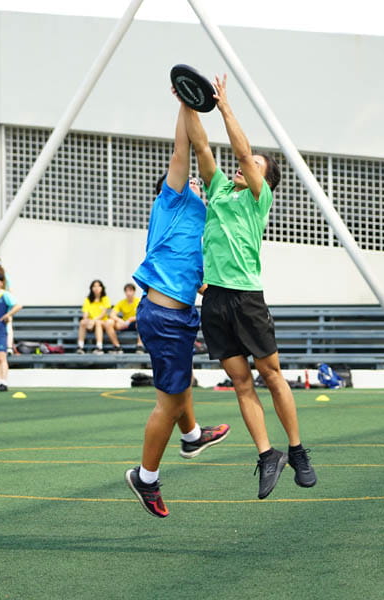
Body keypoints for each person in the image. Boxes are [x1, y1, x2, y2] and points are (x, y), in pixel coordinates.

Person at [184, 73, 316, 499]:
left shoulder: (259, 200)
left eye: (255, 165)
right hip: (215, 299)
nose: (245, 166)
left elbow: (240, 152)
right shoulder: (220, 189)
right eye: (247, 164)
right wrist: (188, 103)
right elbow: (202, 147)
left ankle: (297, 451)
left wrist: (224, 106)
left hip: (246, 297)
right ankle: (267, 455)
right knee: (241, 382)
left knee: (271, 375)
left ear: (264, 179)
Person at [125, 99, 230, 518]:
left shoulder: (203, 214)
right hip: (165, 316)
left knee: (180, 384)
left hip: (180, 315)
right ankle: (145, 478)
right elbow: (183, 150)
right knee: (168, 401)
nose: (185, 180)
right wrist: (188, 101)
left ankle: (191, 437)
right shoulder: (170, 201)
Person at [76, 279, 119, 354]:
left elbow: (103, 313)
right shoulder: (87, 300)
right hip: (91, 322)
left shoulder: (105, 299)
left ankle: (99, 347)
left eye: (98, 286)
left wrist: (94, 321)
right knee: (82, 322)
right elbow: (85, 313)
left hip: (102, 322)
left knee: (98, 323)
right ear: (91, 288)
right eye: (94, 286)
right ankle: (80, 346)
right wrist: (87, 320)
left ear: (102, 288)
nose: (96, 288)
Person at [108, 283, 144, 353]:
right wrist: (119, 320)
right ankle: (117, 347)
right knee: (109, 323)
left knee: (141, 322)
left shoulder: (139, 301)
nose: (128, 293)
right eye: (126, 291)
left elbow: (143, 314)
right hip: (125, 323)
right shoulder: (121, 302)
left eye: (130, 291)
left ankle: (140, 346)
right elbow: (112, 314)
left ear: (134, 292)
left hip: (135, 322)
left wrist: (131, 319)